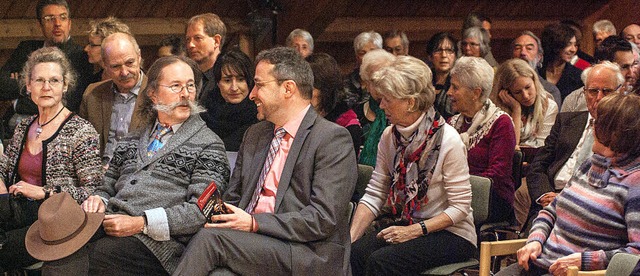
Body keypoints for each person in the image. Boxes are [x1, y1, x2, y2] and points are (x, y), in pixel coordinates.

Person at [174, 47, 357, 275]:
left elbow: (322, 218)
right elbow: (235, 196)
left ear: (288, 88)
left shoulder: (332, 139)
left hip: (304, 251)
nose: (251, 94)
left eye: (259, 85)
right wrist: (221, 213)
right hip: (250, 243)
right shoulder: (255, 134)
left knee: (211, 241)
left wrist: (253, 222)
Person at [43, 55, 230, 275]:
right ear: (152, 93)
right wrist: (99, 199)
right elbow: (106, 185)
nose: (185, 94)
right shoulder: (131, 140)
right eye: (176, 86)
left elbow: (205, 210)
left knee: (80, 265)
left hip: (159, 246)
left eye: (190, 86)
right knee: (55, 255)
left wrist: (141, 223)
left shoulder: (209, 144)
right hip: (108, 226)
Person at [350, 55, 476, 275]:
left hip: (453, 233)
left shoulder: (448, 140)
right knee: (355, 253)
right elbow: (375, 193)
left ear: (410, 102)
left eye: (388, 99)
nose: (381, 105)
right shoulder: (389, 136)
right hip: (409, 224)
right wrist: (349, 239)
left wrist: (415, 231)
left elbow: (460, 208)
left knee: (382, 262)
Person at [497, 93, 640, 276]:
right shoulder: (590, 164)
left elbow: (635, 255)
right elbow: (550, 211)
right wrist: (535, 240)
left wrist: (584, 261)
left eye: (598, 122)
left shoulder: (634, 183)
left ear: (614, 133)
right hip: (539, 264)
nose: (592, 125)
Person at [0, 47, 102, 271]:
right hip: (17, 212)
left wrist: (44, 192)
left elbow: (93, 192)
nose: (46, 87)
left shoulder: (81, 131)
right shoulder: (23, 127)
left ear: (65, 86)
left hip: (54, 223)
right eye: (39, 80)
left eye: (54, 80)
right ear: (28, 86)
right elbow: (3, 169)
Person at [524, 62, 624, 233]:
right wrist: (544, 196)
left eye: (606, 91)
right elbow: (538, 166)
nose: (599, 98)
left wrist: (564, 200)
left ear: (620, 92)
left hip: (587, 210)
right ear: (584, 92)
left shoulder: (624, 132)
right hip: (547, 202)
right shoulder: (566, 121)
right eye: (593, 91)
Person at [447, 56, 516, 223]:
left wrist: (456, 188)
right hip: (455, 196)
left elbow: (496, 175)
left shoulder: (501, 123)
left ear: (475, 93)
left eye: (455, 88)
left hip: (491, 199)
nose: (449, 92)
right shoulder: (452, 123)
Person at [0, 0, 93, 120]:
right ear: (40, 25)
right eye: (49, 19)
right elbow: (1, 84)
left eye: (63, 18)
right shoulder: (26, 48)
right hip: (12, 125)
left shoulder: (81, 56)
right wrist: (28, 87)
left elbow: (67, 103)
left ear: (69, 23)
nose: (57, 23)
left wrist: (16, 102)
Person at [79, 32, 146, 166]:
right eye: (116, 66)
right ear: (104, 65)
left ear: (139, 57)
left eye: (130, 63)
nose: (124, 72)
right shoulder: (92, 94)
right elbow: (81, 145)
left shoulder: (157, 93)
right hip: (98, 175)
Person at [491, 58, 558, 149]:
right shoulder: (496, 109)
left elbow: (540, 147)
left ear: (534, 81)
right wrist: (516, 111)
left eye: (528, 87)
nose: (526, 96)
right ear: (507, 92)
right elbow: (509, 148)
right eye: (518, 92)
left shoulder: (549, 106)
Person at [200, 48, 258, 152]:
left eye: (241, 79)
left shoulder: (260, 117)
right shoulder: (204, 117)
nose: (234, 87)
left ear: (249, 82)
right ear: (218, 83)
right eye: (227, 80)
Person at [561, 36, 635, 112]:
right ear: (603, 65)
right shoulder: (574, 101)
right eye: (624, 67)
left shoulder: (636, 100)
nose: (631, 74)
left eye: (633, 65)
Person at [307, 53, 362, 156]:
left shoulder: (348, 126)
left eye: (310, 87)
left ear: (325, 88)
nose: (303, 93)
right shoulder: (298, 116)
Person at [355, 49, 395, 167]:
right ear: (366, 84)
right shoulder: (355, 115)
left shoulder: (400, 114)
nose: (381, 85)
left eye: (385, 78)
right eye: (375, 80)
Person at [511, 31, 562, 106]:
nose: (523, 52)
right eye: (518, 48)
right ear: (512, 56)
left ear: (539, 57)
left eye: (529, 48)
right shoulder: (502, 87)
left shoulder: (549, 91)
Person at [185, 13, 226, 104]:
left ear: (216, 41)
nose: (190, 45)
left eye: (198, 38)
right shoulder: (190, 78)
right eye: (188, 40)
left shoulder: (228, 76)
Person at [539, 23, 584, 101]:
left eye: (575, 45)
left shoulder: (578, 76)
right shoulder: (536, 72)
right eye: (569, 44)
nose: (573, 50)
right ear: (556, 44)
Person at [84, 16, 131, 84]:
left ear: (109, 47)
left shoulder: (128, 77)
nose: (86, 49)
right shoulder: (93, 80)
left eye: (92, 45)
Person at [346, 31, 383, 107]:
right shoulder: (346, 82)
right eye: (362, 53)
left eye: (372, 52)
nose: (368, 57)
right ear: (357, 56)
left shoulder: (387, 81)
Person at [426, 32, 457, 119]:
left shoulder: (459, 82)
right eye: (438, 50)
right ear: (430, 56)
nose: (443, 55)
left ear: (455, 56)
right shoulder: (423, 81)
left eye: (449, 51)